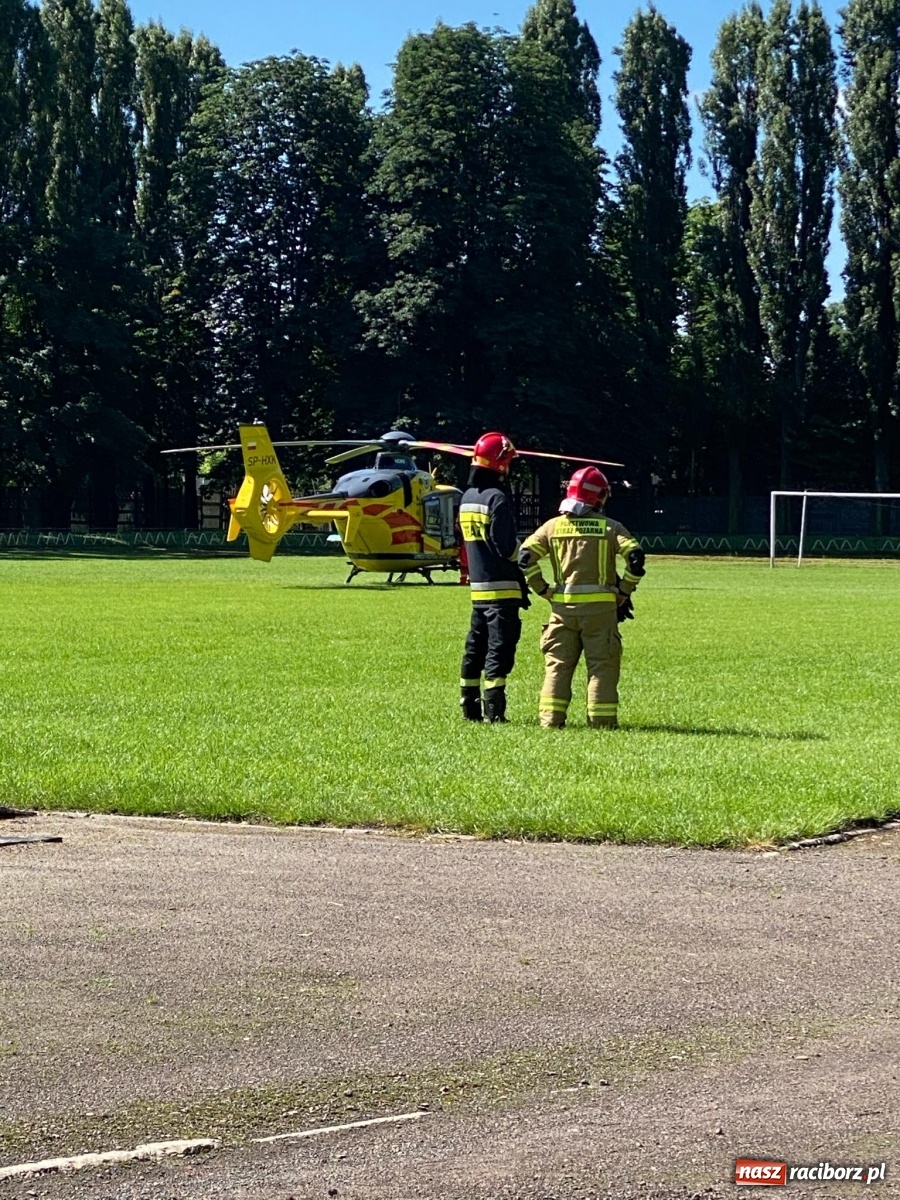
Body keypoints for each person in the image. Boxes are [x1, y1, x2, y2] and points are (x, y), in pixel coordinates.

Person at [518, 466, 645, 730]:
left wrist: (541, 588)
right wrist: (624, 591)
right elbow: (635, 558)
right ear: (600, 496)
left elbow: (525, 557)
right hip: (601, 612)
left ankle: (550, 722)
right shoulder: (611, 528)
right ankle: (602, 722)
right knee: (602, 666)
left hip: (562, 611)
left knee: (557, 667)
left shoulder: (552, 527)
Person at [458, 432, 530, 723]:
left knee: (474, 649)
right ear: (501, 464)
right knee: (498, 652)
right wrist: (524, 555)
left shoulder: (467, 498)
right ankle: (494, 712)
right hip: (502, 592)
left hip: (478, 591)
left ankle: (470, 709)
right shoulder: (497, 498)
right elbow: (505, 546)